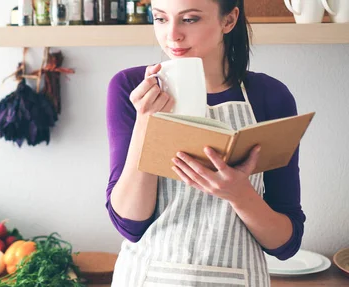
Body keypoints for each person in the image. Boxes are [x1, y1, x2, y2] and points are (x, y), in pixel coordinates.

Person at [105, 0, 305, 286]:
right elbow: (130, 224)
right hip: (146, 278)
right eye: (161, 19)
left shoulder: (271, 97)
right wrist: (146, 121)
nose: (172, 35)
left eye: (189, 19)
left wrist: (240, 195)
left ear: (229, 20)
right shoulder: (131, 88)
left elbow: (286, 244)